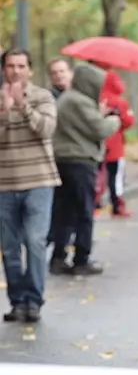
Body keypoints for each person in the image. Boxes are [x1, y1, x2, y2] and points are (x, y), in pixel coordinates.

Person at [0, 49, 60, 323]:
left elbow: (46, 129)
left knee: (35, 241)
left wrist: (23, 106)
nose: (15, 71)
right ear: (4, 69)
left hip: (38, 181)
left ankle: (34, 300)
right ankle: (18, 301)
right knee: (10, 247)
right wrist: (4, 112)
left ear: (30, 70)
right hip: (5, 183)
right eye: (10, 66)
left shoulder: (43, 96)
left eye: (21, 66)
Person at [51, 63, 121, 276]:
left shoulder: (68, 100)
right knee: (84, 211)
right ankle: (82, 257)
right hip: (79, 161)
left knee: (64, 212)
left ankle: (58, 256)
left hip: (62, 160)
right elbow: (99, 129)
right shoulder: (78, 101)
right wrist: (113, 119)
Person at [97, 70, 135, 218]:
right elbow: (128, 122)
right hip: (115, 145)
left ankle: (95, 203)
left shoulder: (96, 99)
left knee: (98, 175)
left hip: (98, 144)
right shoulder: (120, 102)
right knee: (116, 177)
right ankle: (117, 204)